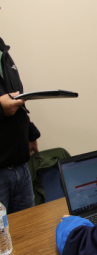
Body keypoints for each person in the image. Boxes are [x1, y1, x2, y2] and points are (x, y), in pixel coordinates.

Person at [0, 37, 40, 214]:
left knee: (29, 234)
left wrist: (30, 134)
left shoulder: (3, 52)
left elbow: (18, 100)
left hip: (21, 168)